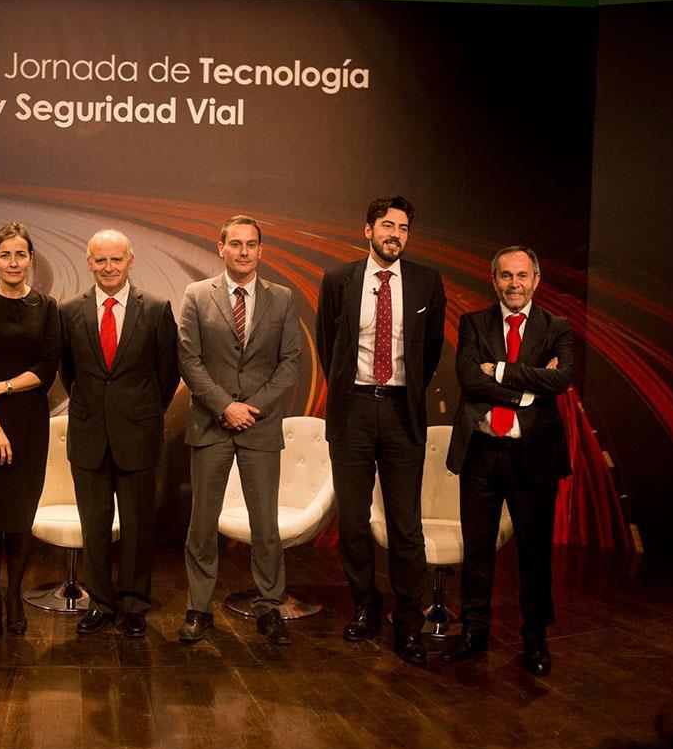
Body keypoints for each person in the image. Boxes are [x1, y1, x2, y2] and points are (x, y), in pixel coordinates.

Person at [314, 196, 446, 665]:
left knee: (405, 526)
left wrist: (400, 393)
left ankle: (408, 622)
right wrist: (352, 393)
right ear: (367, 230)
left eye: (404, 228)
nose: (396, 234)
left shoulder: (427, 282)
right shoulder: (339, 280)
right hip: (352, 411)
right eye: (387, 225)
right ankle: (366, 607)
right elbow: (328, 345)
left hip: (401, 414)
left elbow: (430, 353)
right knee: (352, 523)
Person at [441, 246, 572, 676]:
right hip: (480, 452)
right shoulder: (474, 322)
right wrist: (529, 388)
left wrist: (497, 370)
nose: (513, 284)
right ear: (493, 280)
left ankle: (535, 637)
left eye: (521, 276)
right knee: (477, 550)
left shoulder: (558, 327)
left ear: (536, 279)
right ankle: (473, 630)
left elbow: (561, 378)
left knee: (534, 553)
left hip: (531, 456)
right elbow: (466, 378)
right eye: (505, 276)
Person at [177, 215, 301, 646]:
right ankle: (198, 608)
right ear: (221, 248)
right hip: (211, 424)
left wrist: (252, 408)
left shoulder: (283, 299)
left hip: (260, 427)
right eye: (236, 244)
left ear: (260, 251)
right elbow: (189, 360)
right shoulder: (196, 295)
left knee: (265, 525)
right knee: (202, 524)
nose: (244, 251)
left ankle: (270, 606)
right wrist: (225, 407)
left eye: (251, 245)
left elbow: (289, 364)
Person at [59, 230, 180, 638]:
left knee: (136, 526)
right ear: (88, 262)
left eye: (116, 260)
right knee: (94, 527)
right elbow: (68, 373)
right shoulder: (69, 311)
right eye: (100, 261)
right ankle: (101, 603)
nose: (108, 268)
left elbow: (168, 373)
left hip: (139, 434)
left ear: (130, 261)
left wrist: (142, 413)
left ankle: (133, 606)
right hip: (90, 435)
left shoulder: (157, 309)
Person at [0, 222, 60, 639]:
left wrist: (2, 387)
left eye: (21, 255)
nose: (13, 262)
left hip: (28, 421)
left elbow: (46, 369)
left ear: (31, 259)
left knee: (19, 517)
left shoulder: (47, 307)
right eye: (5, 255)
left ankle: (15, 594)